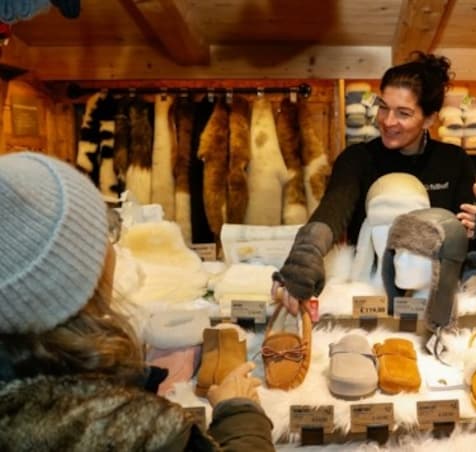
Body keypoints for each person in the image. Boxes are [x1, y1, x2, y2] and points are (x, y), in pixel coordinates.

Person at [0, 152, 275, 451]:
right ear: (79, 271)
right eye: (103, 236)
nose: (113, 251)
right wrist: (238, 411)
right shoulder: (134, 430)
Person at [274, 52, 476, 314]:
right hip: (369, 294)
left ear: (429, 119)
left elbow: (469, 239)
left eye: (403, 113)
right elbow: (332, 211)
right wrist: (306, 254)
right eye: (383, 107)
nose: (388, 121)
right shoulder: (358, 159)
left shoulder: (452, 160)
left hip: (433, 295)